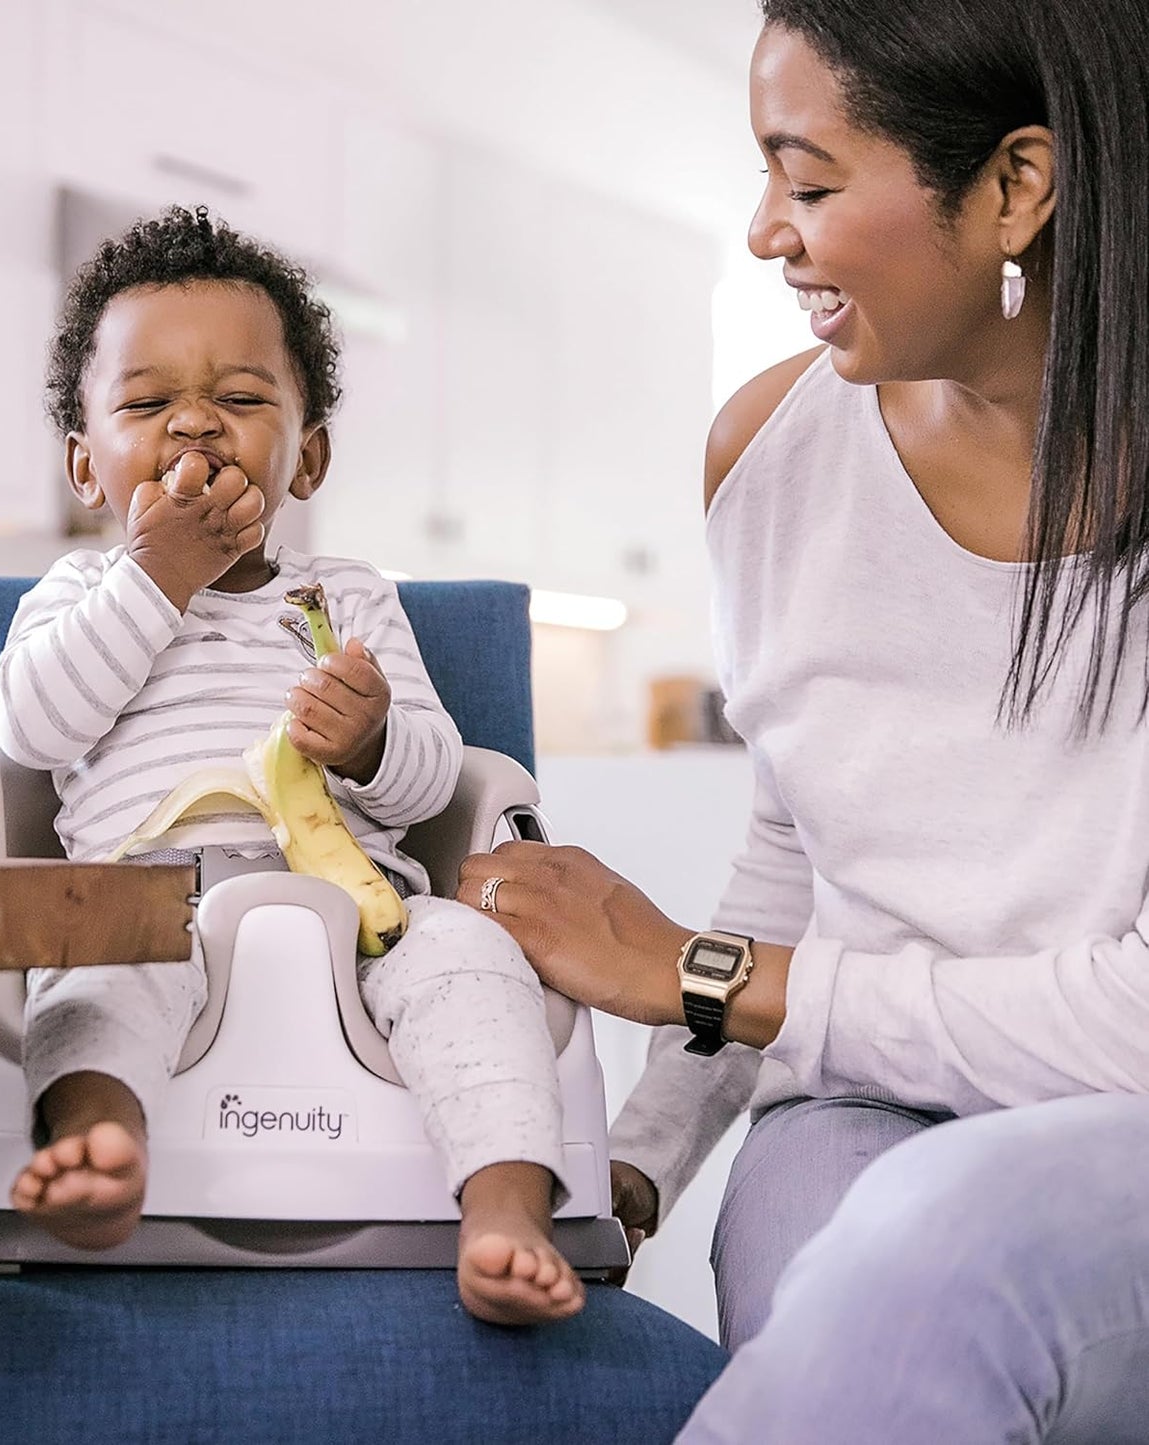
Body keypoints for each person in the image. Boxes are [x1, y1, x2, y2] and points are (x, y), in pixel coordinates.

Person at [458, 0, 1149, 1436]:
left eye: (812, 179)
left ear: (1018, 186)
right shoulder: (768, 455)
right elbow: (797, 852)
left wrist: (702, 971)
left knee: (938, 1248)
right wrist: (630, 1167)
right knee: (822, 1262)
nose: (769, 229)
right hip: (856, 1100)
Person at [0, 205, 583, 1326]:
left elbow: (427, 786)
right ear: (84, 463)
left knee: (472, 962)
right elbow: (30, 730)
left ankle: (505, 1208)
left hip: (355, 911)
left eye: (242, 399)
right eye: (147, 402)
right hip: (148, 897)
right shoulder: (76, 590)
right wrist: (156, 574)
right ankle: (99, 1140)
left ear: (304, 455)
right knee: (92, 975)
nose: (195, 425)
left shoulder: (342, 597)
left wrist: (367, 741)